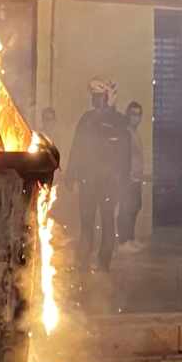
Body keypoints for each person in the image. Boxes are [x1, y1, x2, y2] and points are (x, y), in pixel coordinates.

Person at [68, 78, 130, 272]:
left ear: (107, 98)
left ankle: (103, 264)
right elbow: (76, 148)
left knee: (107, 222)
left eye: (100, 97)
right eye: (94, 97)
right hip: (88, 182)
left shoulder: (118, 121)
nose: (96, 101)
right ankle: (83, 263)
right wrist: (71, 175)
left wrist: (123, 182)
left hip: (109, 184)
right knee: (86, 224)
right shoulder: (86, 120)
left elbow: (125, 154)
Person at [118, 101, 146, 255]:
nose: (136, 117)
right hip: (128, 178)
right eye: (133, 114)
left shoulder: (136, 132)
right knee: (126, 209)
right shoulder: (126, 133)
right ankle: (123, 241)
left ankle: (130, 238)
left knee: (135, 207)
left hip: (136, 178)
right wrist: (126, 174)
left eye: (139, 114)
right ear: (128, 115)